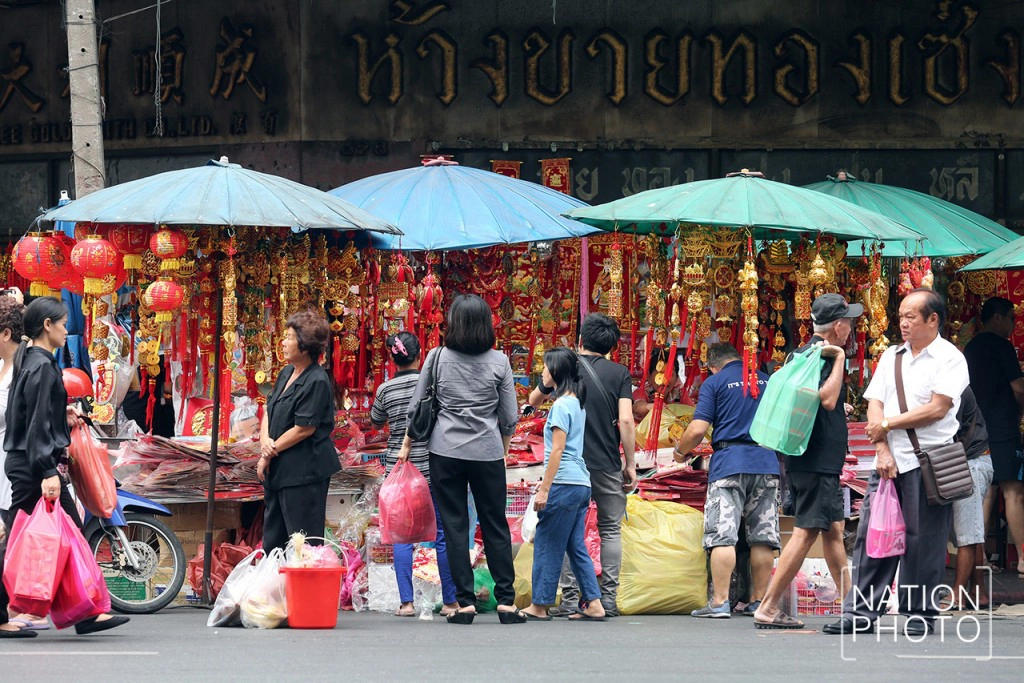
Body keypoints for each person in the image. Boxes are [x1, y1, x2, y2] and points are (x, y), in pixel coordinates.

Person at [826, 288, 969, 636]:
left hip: (929, 462)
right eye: (901, 316)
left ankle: (920, 613)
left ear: (932, 319)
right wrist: (882, 449)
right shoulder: (892, 355)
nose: (903, 323)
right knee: (874, 538)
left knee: (925, 542)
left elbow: (938, 408)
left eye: (911, 317)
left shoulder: (950, 358)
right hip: (889, 463)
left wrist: (888, 425)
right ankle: (860, 612)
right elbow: (875, 402)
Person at [0, 297, 129, 638]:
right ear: (47, 325)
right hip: (33, 464)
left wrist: (62, 414)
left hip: (26, 459)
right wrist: (46, 472)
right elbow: (37, 423)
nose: (65, 329)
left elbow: (33, 413)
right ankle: (5, 612)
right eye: (62, 323)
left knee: (67, 530)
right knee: (17, 538)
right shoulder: (41, 365)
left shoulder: (29, 358)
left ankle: (84, 609)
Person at [398, 294, 521, 624]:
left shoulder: (437, 357)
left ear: (453, 323)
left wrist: (408, 442)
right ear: (486, 324)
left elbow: (416, 407)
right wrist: (504, 446)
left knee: (454, 526)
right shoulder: (500, 362)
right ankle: (506, 602)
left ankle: (463, 603)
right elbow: (509, 415)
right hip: (487, 452)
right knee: (495, 524)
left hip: (445, 451)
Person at [754, 294, 860, 629]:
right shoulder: (827, 355)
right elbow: (827, 399)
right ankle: (768, 606)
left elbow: (807, 401)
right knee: (805, 531)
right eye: (849, 323)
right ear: (839, 326)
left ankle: (853, 607)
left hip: (804, 456)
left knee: (833, 530)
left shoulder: (799, 354)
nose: (852, 330)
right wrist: (840, 359)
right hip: (817, 461)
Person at [526, 313, 636, 617]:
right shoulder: (619, 373)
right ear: (612, 346)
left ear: (579, 340)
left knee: (565, 532)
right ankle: (607, 600)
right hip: (605, 463)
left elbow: (534, 399)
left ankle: (571, 599)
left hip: (568, 467)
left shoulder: (566, 367)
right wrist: (630, 463)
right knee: (609, 529)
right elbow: (626, 419)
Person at [672, 342, 780, 618]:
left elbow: (697, 429)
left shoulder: (715, 382)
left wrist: (681, 452)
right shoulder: (768, 382)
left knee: (723, 535)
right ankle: (759, 601)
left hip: (729, 464)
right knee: (763, 538)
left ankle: (720, 602)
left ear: (713, 365)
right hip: (766, 462)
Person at [370, 331, 458, 618]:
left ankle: (406, 603)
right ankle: (450, 602)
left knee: (402, 536)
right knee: (443, 534)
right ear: (420, 355)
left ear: (392, 359)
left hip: (401, 472)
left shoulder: (385, 389)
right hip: (434, 467)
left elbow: (375, 421)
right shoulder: (432, 385)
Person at [521, 347, 606, 622]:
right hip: (580, 483)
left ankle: (540, 604)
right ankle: (594, 603)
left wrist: (545, 488)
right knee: (575, 545)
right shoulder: (576, 403)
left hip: (564, 482)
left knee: (547, 543)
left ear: (555, 371)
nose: (542, 372)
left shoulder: (560, 406)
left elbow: (557, 451)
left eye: (545, 367)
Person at [257, 309, 340, 551]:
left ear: (305, 345)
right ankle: (277, 587)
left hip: (304, 472)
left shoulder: (317, 380)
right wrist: (264, 442)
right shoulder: (286, 373)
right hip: (280, 471)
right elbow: (269, 409)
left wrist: (268, 452)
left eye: (289, 337)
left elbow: (304, 429)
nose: (283, 343)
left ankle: (302, 588)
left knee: (302, 542)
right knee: (273, 541)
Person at [963, 296, 1024, 577]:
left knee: (986, 492)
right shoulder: (1002, 347)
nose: (1013, 325)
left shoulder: (971, 348)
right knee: (1014, 493)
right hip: (1002, 427)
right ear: (997, 317)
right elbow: (1019, 388)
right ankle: (1023, 559)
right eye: (1011, 318)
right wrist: (1020, 413)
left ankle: (981, 558)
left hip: (976, 430)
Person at [945, 388, 993, 609]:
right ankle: (979, 592)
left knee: (968, 535)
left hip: (971, 462)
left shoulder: (955, 387)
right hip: (968, 460)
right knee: (971, 532)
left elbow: (942, 424)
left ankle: (958, 594)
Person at [632, 347, 688, 422]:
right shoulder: (642, 391)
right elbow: (637, 407)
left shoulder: (679, 392)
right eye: (660, 373)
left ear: (676, 378)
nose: (664, 379)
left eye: (670, 374)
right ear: (649, 377)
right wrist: (651, 407)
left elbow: (691, 410)